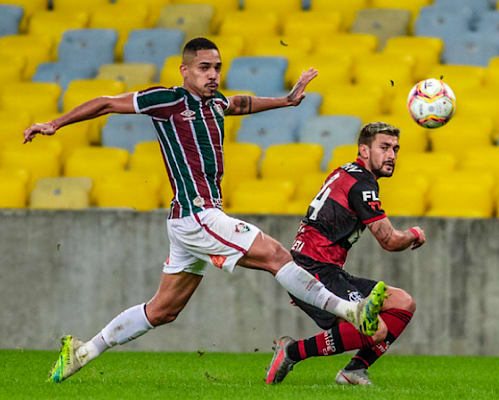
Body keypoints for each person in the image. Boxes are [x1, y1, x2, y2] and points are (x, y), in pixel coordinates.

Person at [23, 37, 387, 384]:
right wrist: (55, 124)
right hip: (198, 215)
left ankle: (83, 353)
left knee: (163, 310)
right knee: (277, 255)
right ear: (184, 70)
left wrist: (287, 101)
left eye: (217, 67)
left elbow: (241, 104)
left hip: (187, 221)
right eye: (204, 68)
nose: (213, 75)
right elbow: (105, 103)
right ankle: (350, 311)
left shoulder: (214, 104)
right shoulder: (168, 100)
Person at [265, 122, 426, 386]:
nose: (392, 155)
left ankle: (353, 371)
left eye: (395, 149)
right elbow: (389, 240)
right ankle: (291, 352)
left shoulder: (346, 172)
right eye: (384, 147)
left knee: (403, 302)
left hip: (324, 267)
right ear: (364, 150)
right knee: (374, 330)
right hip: (312, 268)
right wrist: (414, 233)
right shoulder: (362, 185)